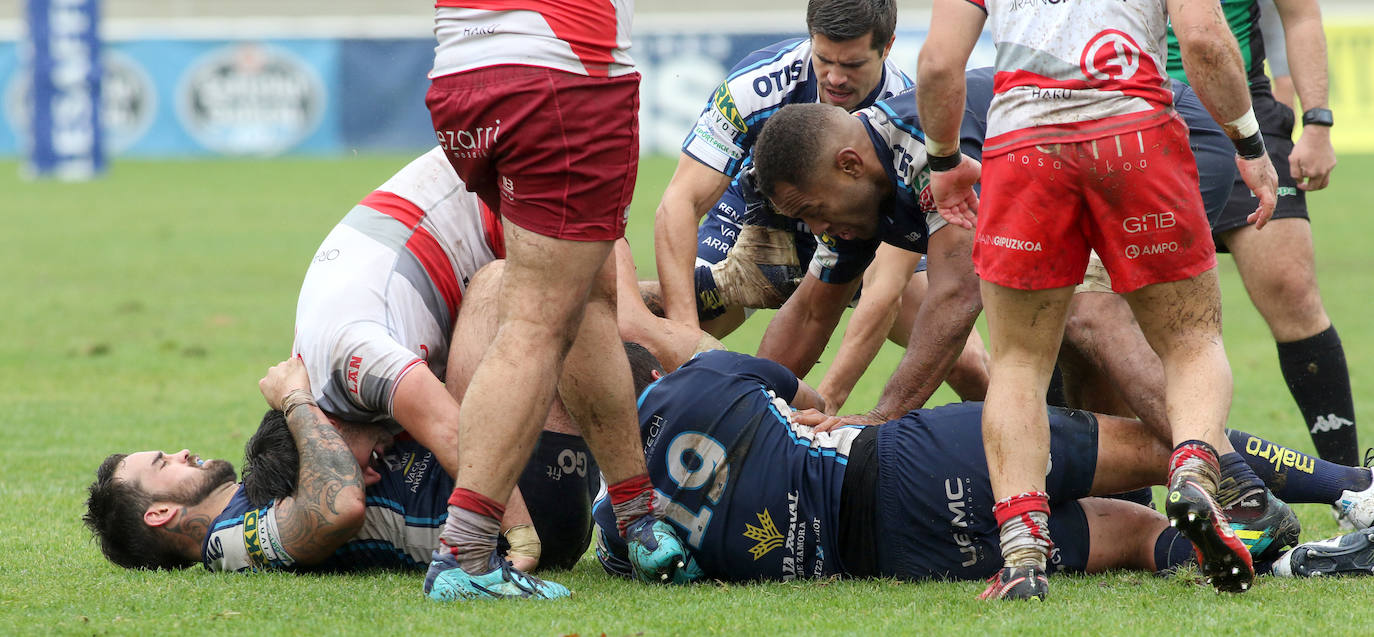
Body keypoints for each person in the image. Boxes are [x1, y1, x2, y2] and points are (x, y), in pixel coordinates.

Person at [914, 0, 1279, 598]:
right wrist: (1249, 144)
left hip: (1023, 149)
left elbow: (935, 66)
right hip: (1136, 138)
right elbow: (1207, 41)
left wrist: (944, 159)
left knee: (1020, 363)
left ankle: (1024, 554)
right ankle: (1193, 475)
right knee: (1190, 341)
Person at [592, 347, 1374, 584]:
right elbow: (812, 396)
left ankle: (1288, 565)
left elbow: (672, 571)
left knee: (1131, 535)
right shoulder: (696, 376)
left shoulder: (615, 524)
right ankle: (1352, 489)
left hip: (895, 556)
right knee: (1164, 439)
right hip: (899, 460)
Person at [424, 0, 688, 600]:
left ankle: (637, 520)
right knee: (537, 323)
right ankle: (463, 557)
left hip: (463, 72)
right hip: (561, 73)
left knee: (586, 297)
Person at [291, 147, 598, 571]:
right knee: (594, 318)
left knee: (609, 323)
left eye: (351, 471)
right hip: (487, 202)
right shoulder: (327, 385)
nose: (371, 477)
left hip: (500, 190)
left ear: (322, 437)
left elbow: (452, 427)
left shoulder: (351, 360)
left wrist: (521, 536)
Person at [1167, 0, 1354, 468]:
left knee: (1290, 289)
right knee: (1104, 319)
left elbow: (1301, 15)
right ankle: (1126, 508)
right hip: (1129, 109)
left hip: (1241, 109)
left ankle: (1354, 486)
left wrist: (1317, 121)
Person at [652, 0, 911, 338]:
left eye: (852, 65)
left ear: (887, 45)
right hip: (755, 212)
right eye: (823, 59)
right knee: (684, 320)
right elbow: (679, 202)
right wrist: (683, 333)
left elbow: (890, 283)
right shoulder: (758, 85)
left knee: (960, 356)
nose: (835, 78)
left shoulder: (905, 113)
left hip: (859, 230)